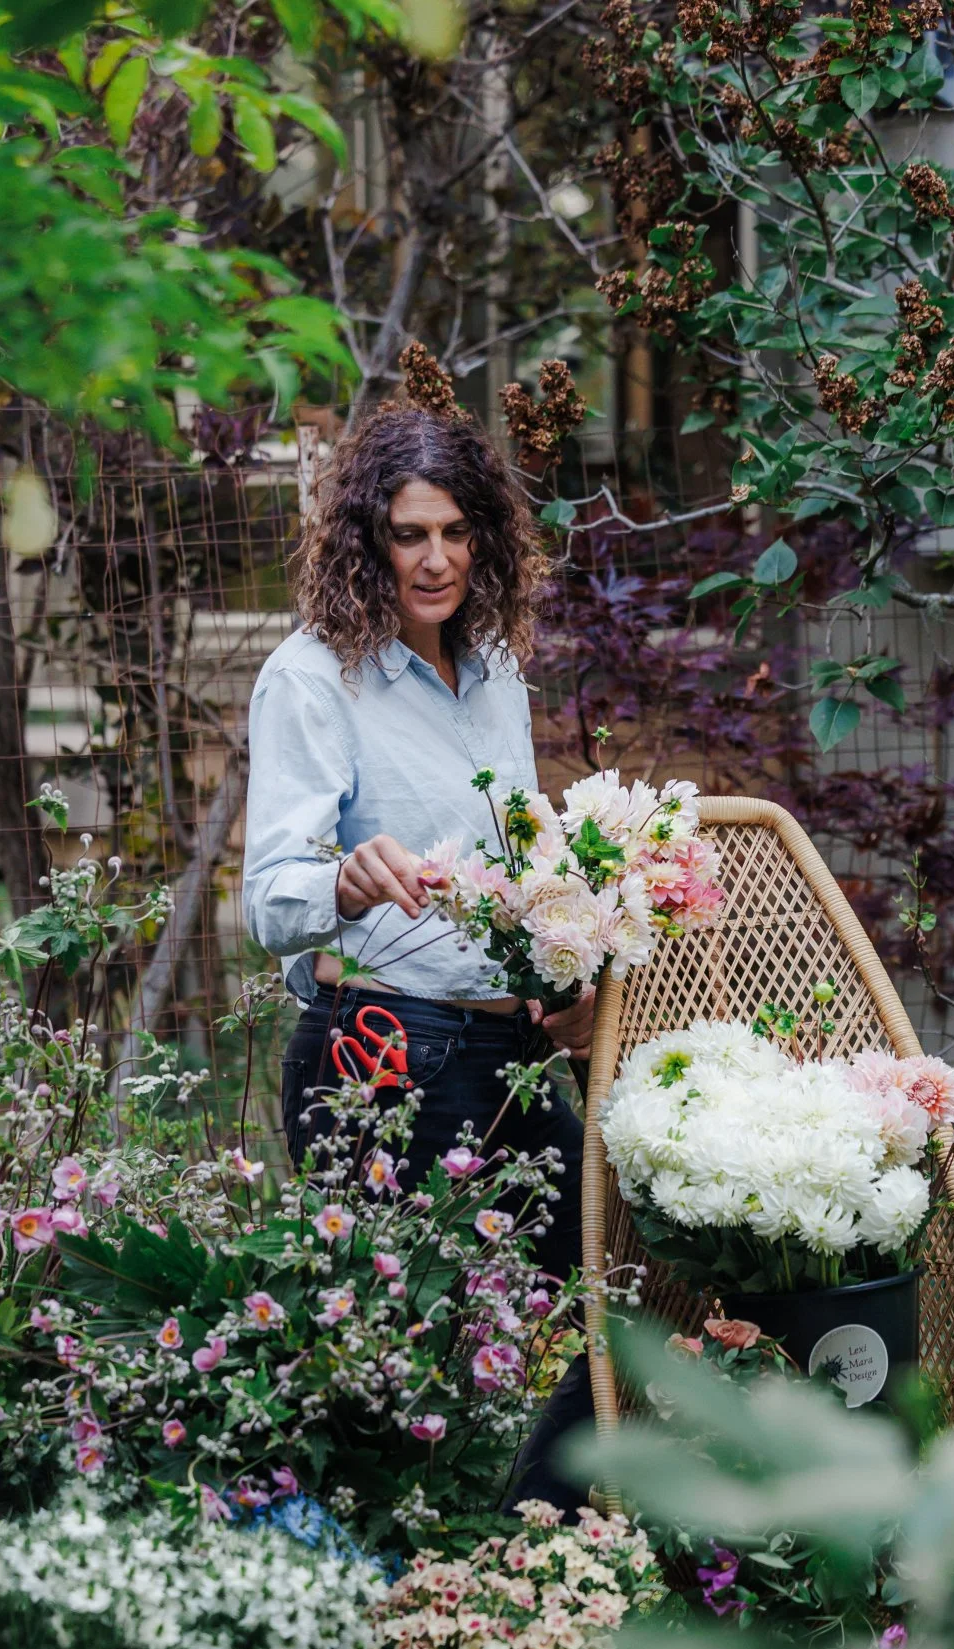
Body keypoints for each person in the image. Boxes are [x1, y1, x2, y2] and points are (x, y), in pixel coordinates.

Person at [241, 392, 594, 1510]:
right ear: (366, 539)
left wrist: (568, 980)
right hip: (385, 1056)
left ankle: (525, 1561)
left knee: (622, 1301)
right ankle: (404, 1617)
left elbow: (525, 866)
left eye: (454, 530)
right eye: (408, 533)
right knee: (399, 1380)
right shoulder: (312, 677)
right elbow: (268, 897)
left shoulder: (494, 670)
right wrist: (340, 880)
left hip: (511, 1050)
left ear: (483, 533)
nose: (434, 558)